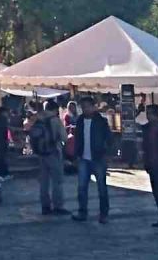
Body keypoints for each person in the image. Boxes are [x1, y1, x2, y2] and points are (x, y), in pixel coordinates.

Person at [74, 95, 113, 223]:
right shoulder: (80, 121)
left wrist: (106, 153)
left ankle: (104, 213)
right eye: (83, 107)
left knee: (101, 186)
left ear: (93, 107)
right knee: (82, 187)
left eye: (87, 107)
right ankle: (82, 211)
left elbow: (109, 139)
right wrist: (76, 154)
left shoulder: (101, 121)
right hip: (83, 158)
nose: (85, 109)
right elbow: (77, 139)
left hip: (98, 158)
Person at [29, 100, 66, 218]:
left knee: (44, 182)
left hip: (41, 154)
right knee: (57, 181)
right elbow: (64, 137)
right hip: (54, 152)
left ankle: (45, 207)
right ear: (55, 109)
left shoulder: (37, 119)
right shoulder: (55, 120)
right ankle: (58, 206)